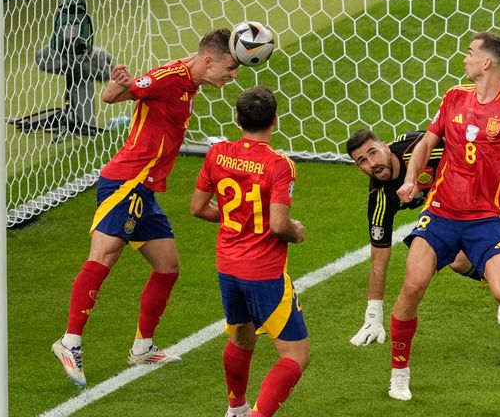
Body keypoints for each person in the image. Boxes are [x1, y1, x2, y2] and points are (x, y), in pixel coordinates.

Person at [51, 29, 240, 387]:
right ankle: (70, 341)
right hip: (126, 181)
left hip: (146, 189)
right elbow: (110, 96)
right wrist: (122, 83)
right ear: (209, 60)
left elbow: (134, 90)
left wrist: (127, 84)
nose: (233, 75)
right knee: (103, 256)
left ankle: (142, 348)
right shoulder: (171, 78)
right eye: (230, 67)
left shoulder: (189, 78)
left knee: (167, 267)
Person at [387, 31, 500, 401]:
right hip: (441, 212)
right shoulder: (453, 97)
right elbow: (427, 142)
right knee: (412, 286)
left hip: (485, 220)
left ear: (487, 63)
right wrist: (409, 180)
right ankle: (399, 374)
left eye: (469, 53)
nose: (464, 58)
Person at [346, 129, 500, 345]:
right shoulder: (380, 199)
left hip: (490, 175)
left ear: (385, 147)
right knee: (456, 259)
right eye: (362, 161)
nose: (371, 164)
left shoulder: (423, 149)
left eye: (372, 153)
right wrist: (373, 317)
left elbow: (472, 151)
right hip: (456, 206)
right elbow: (378, 260)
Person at [190, 86, 308, 417]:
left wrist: (233, 217)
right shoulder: (279, 164)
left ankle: (236, 409)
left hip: (228, 266)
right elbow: (277, 224)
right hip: (263, 272)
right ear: (275, 121)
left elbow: (198, 207)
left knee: (242, 339)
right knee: (295, 356)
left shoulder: (217, 153)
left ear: (237, 118)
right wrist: (295, 233)